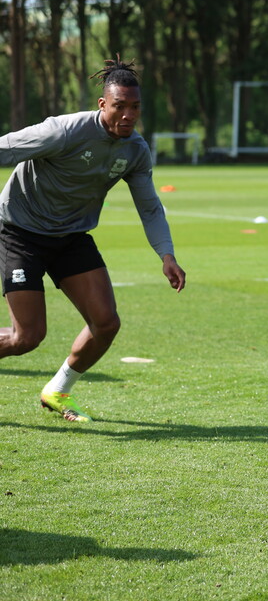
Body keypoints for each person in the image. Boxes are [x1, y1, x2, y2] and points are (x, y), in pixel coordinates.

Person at [0, 55, 187, 423]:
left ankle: (57, 390)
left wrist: (166, 254)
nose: (128, 115)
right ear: (103, 103)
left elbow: (150, 208)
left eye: (135, 108)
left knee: (106, 323)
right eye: (120, 106)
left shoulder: (135, 150)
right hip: (19, 231)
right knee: (27, 337)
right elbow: (5, 147)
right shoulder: (63, 131)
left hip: (70, 236)